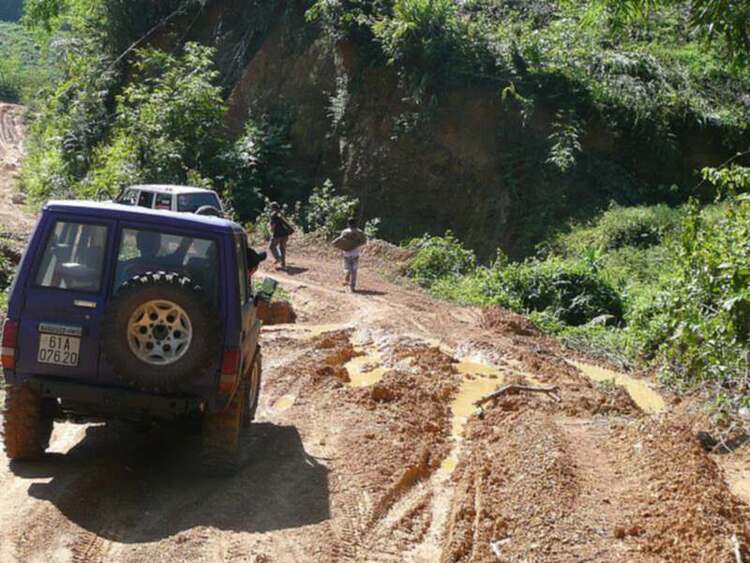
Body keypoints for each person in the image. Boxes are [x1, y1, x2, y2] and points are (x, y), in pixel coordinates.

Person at [332, 218, 367, 292]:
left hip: (346, 253)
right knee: (354, 270)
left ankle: (347, 273)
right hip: (355, 253)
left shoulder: (345, 232)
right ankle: (352, 287)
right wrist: (355, 244)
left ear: (348, 224)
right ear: (355, 224)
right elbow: (364, 241)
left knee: (347, 267)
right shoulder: (359, 232)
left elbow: (340, 241)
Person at [268, 202, 293, 270]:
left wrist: (272, 232)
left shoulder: (273, 214)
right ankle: (283, 265)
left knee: (271, 247)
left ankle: (278, 258)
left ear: (272, 208)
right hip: (285, 234)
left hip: (277, 235)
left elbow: (273, 226)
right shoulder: (281, 213)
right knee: (282, 249)